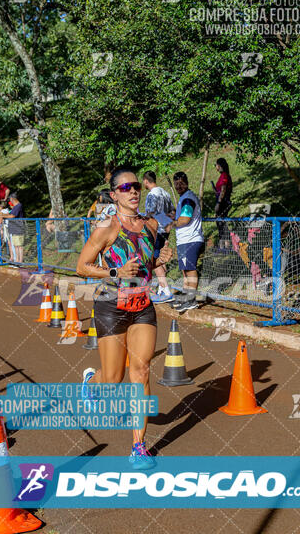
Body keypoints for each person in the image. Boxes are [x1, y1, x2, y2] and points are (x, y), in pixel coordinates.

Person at [76, 166, 173, 469]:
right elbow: (82, 266)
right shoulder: (106, 227)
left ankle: (138, 447)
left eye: (136, 187)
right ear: (114, 194)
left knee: (141, 370)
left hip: (142, 303)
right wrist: (115, 272)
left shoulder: (151, 225)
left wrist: (160, 260)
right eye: (126, 187)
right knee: (113, 380)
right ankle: (93, 382)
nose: (133, 191)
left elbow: (145, 260)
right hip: (110, 305)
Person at [165, 171, 204, 313]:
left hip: (190, 240)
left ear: (187, 182)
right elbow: (182, 215)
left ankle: (191, 300)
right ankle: (187, 298)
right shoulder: (184, 198)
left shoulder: (188, 198)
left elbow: (185, 219)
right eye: (176, 184)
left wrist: (172, 224)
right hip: (185, 241)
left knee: (190, 270)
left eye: (181, 183)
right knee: (186, 271)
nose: (178, 186)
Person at [143, 170, 175, 303]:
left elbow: (150, 213)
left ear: (146, 181)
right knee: (160, 259)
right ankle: (162, 289)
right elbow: (172, 211)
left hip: (155, 230)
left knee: (154, 260)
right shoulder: (165, 193)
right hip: (165, 230)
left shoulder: (152, 195)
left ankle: (166, 290)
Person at [213, 158, 232, 250]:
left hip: (223, 202)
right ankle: (223, 245)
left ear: (219, 165)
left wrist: (219, 203)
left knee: (221, 223)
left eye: (215, 165)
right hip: (222, 201)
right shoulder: (222, 176)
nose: (215, 167)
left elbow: (223, 190)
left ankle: (225, 246)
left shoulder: (224, 175)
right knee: (220, 223)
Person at [5, 193, 25, 265]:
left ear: (13, 199)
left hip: (19, 228)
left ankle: (20, 261)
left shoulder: (19, 206)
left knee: (19, 246)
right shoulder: (15, 206)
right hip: (14, 228)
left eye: (10, 199)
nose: (10, 201)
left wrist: (3, 216)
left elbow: (12, 216)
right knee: (16, 245)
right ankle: (17, 260)